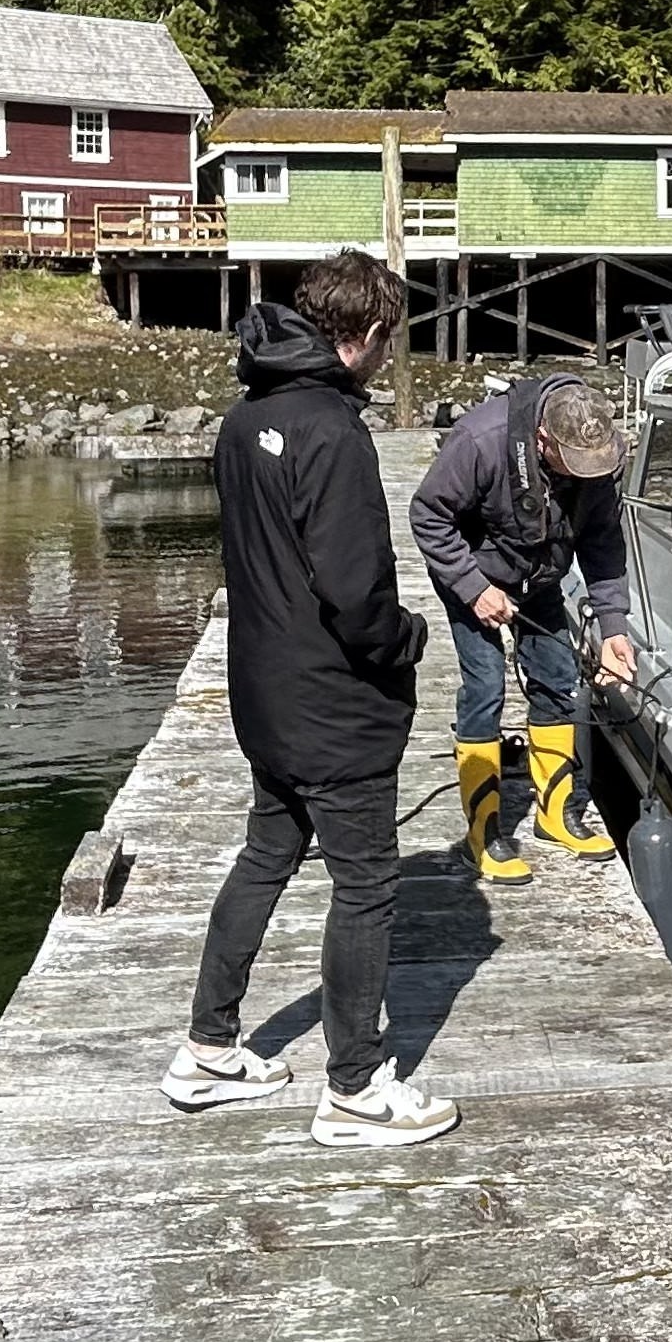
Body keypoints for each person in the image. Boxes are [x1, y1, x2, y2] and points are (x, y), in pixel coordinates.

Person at [164, 249, 457, 1149]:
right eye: (388, 341)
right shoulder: (333, 430)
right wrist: (404, 640)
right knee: (367, 885)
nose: (384, 355)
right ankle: (357, 1089)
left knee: (265, 855)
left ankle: (208, 1049)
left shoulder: (244, 417)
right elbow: (355, 587)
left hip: (263, 689)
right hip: (333, 702)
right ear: (367, 336)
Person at [408, 373, 637, 887]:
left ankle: (555, 814)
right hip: (472, 576)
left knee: (559, 682)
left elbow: (602, 544)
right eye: (571, 464)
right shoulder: (480, 440)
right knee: (485, 687)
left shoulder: (595, 458)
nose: (585, 474)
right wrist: (472, 588)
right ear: (541, 440)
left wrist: (614, 628)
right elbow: (428, 516)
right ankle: (482, 835)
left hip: (539, 577)